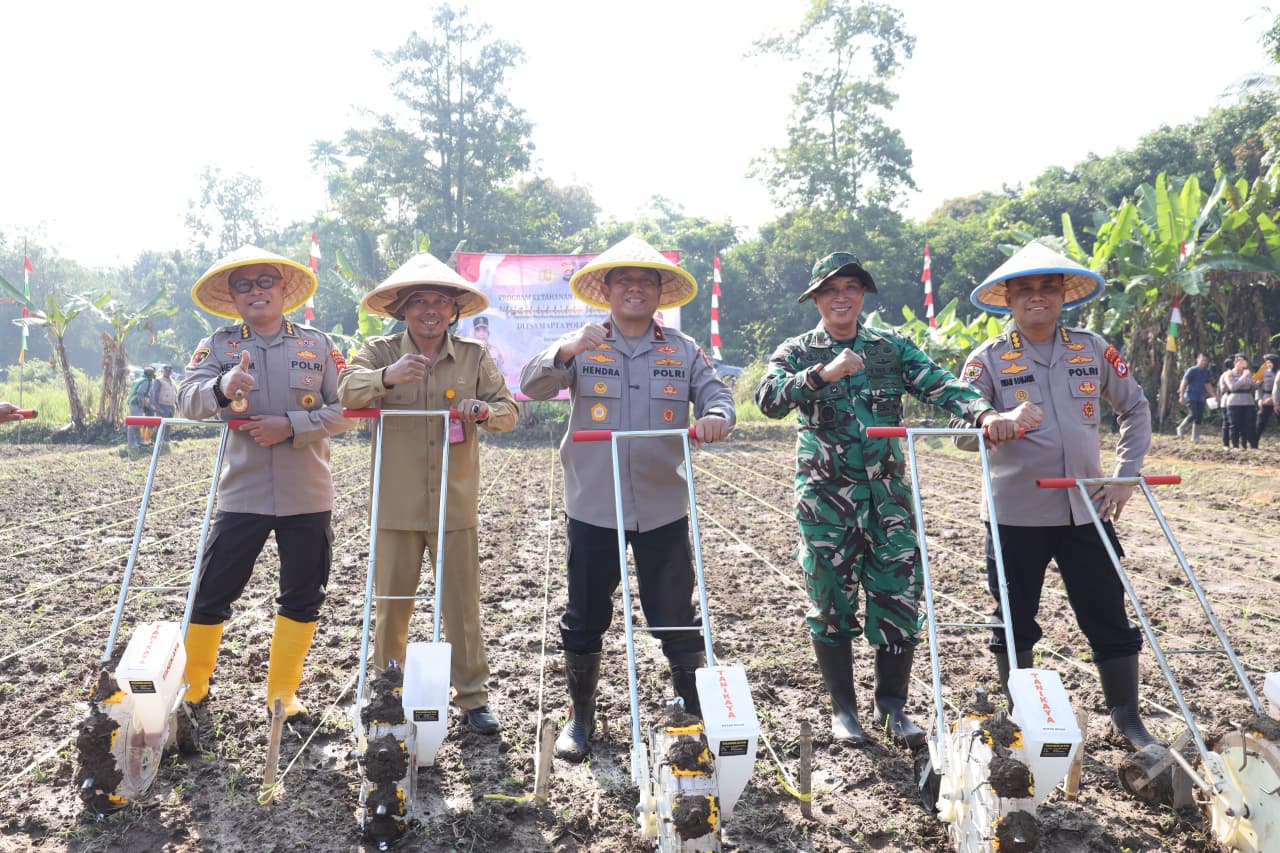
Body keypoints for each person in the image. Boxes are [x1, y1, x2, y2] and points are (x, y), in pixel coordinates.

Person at [755, 251, 1029, 748]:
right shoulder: (797, 351)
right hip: (826, 502)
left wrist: (985, 414)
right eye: (831, 289)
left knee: (898, 599)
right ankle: (844, 711)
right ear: (816, 298)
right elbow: (769, 399)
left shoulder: (892, 349)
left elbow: (944, 386)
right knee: (831, 602)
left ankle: (893, 709)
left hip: (889, 501)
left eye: (851, 288)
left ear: (862, 296)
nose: (841, 297)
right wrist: (823, 374)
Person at [520, 235, 734, 762]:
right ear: (607, 290)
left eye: (646, 281)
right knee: (585, 615)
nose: (635, 288)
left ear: (660, 293)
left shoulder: (683, 351)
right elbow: (531, 385)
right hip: (593, 507)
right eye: (624, 280)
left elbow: (718, 397)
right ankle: (582, 720)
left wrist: (716, 419)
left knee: (675, 617)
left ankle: (689, 713)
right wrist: (565, 351)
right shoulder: (582, 344)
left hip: (662, 507)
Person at [959, 241, 1158, 749]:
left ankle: (1127, 719)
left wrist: (1123, 476)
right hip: (1015, 514)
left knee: (1108, 613)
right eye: (1024, 289)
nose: (1037, 297)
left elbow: (1134, 409)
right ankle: (1019, 717)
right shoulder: (986, 362)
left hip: (1086, 509)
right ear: (1008, 299)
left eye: (1048, 287)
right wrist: (995, 426)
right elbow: (959, 431)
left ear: (1064, 296)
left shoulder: (1091, 349)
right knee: (1014, 620)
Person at [338, 253, 518, 735]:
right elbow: (346, 391)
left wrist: (484, 411)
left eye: (441, 301)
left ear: (454, 309)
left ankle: (474, 698)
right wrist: (387, 378)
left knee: (461, 605)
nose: (431, 310)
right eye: (420, 302)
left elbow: (509, 411)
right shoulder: (378, 352)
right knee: (392, 604)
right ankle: (386, 690)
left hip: (454, 505)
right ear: (403, 309)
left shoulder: (474, 358)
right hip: (395, 505)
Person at [178, 245, 354, 720]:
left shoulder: (318, 345)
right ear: (233, 298)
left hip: (307, 492)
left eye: (264, 282)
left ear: (283, 290)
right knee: (213, 589)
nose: (256, 292)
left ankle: (283, 695)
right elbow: (185, 400)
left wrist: (291, 425)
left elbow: (345, 412)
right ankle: (193, 691)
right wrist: (221, 387)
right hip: (243, 492)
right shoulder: (218, 347)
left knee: (303, 592)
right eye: (244, 285)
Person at [1175, 353, 1218, 442]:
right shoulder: (1192, 370)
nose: (1204, 362)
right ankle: (1181, 428)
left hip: (1200, 397)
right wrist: (1181, 396)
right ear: (1197, 360)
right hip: (1191, 396)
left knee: (1199, 417)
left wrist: (1214, 396)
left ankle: (1195, 437)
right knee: (1193, 414)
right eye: (1202, 360)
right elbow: (1184, 382)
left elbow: (1207, 385)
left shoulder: (1205, 372)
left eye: (1205, 361)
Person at [1221, 354, 1259, 450]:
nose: (1242, 363)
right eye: (1239, 361)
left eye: (1244, 361)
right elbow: (1232, 387)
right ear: (1235, 363)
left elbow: (1253, 387)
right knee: (1235, 424)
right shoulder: (1230, 373)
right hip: (1235, 401)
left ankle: (1245, 444)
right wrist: (1243, 377)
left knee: (1248, 423)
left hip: (1248, 401)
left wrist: (1259, 381)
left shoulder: (1248, 373)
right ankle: (1235, 445)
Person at [126, 366, 156, 450]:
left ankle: (137, 442)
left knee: (135, 423)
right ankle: (132, 443)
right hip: (136, 403)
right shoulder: (146, 381)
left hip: (132, 402)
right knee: (134, 424)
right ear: (150, 375)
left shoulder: (140, 379)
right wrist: (141, 402)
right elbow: (140, 392)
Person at [1255, 353, 1278, 441]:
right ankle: (1254, 442)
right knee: (1261, 421)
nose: (1268, 365)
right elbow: (1257, 386)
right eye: (1267, 363)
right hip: (1266, 398)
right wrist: (1259, 399)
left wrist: (1274, 399)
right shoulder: (1263, 371)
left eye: (1270, 362)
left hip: (1277, 400)